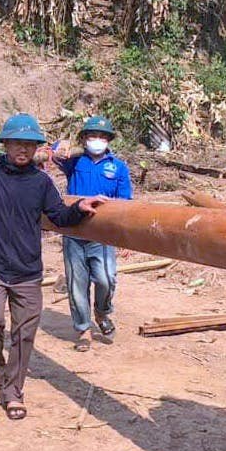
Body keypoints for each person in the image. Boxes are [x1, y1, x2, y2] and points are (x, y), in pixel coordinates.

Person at [0, 113, 106, 420]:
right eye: (17, 143)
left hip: (28, 272)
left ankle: (12, 390)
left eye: (29, 145)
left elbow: (58, 215)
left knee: (24, 334)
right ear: (5, 144)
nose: (23, 149)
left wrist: (80, 209)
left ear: (36, 149)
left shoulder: (41, 182)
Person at [52, 115, 133, 352]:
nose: (97, 140)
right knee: (77, 284)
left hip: (103, 234)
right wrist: (62, 146)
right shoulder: (75, 162)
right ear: (85, 138)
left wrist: (125, 236)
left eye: (101, 136)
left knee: (106, 279)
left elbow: (126, 203)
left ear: (108, 140)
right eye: (92, 136)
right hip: (74, 231)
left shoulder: (118, 167)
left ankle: (102, 311)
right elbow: (55, 152)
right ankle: (83, 329)